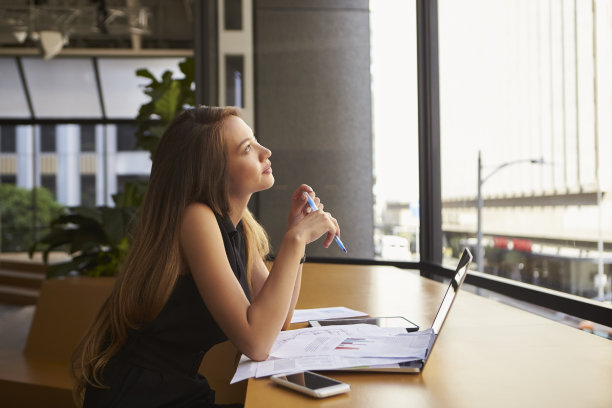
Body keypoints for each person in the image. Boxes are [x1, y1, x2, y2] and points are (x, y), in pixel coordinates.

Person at [72, 106, 342, 407]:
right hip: (139, 395)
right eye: (248, 149)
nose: (265, 152)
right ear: (213, 172)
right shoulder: (196, 219)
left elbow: (276, 323)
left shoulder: (241, 228)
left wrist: (298, 237)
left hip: (177, 387)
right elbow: (257, 343)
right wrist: (295, 240)